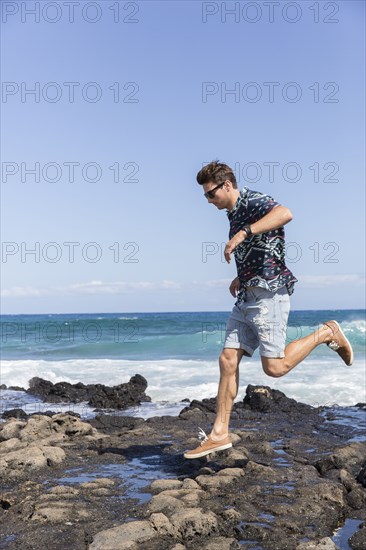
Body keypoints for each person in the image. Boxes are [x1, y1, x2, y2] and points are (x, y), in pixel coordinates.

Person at [184, 160, 353, 459]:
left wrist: (242, 234)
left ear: (226, 185)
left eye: (211, 194)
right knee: (227, 360)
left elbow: (285, 214)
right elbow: (263, 247)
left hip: (269, 294)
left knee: (274, 368)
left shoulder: (253, 200)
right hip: (247, 296)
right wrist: (241, 274)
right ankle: (219, 434)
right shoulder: (233, 213)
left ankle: (327, 332)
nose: (209, 201)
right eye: (205, 197)